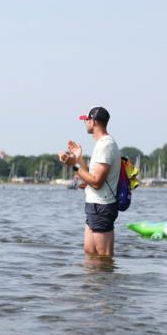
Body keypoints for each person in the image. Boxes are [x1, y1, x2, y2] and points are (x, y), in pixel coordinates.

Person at [58, 106, 120, 257]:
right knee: (90, 253)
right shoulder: (100, 144)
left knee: (103, 257)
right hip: (94, 205)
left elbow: (97, 182)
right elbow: (89, 179)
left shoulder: (106, 145)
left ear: (93, 122)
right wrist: (78, 157)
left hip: (102, 206)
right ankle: (91, 281)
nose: (85, 123)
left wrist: (74, 165)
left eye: (86, 120)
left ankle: (104, 281)